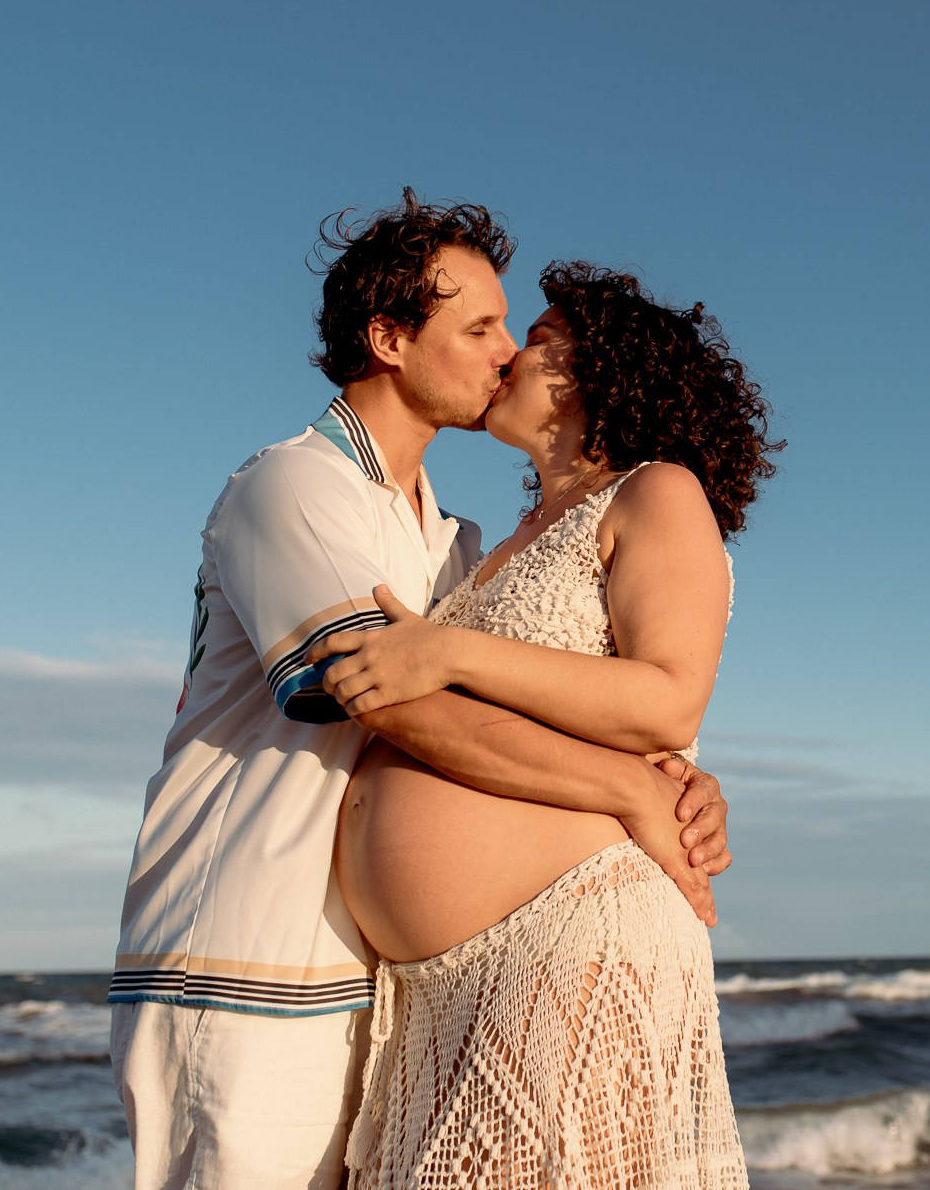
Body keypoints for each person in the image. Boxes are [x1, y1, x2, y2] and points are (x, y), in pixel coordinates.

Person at [108, 193, 735, 1190]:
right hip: (249, 955)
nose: (500, 353)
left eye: (513, 330)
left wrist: (664, 777)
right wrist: (628, 791)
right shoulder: (295, 486)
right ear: (390, 337)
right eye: (481, 327)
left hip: (379, 986)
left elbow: (619, 692)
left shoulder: (453, 545)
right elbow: (389, 698)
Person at [307, 261, 780, 1189]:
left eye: (543, 337)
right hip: (440, 991)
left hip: (569, 939)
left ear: (597, 375)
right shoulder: (485, 546)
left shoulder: (655, 491)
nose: (512, 352)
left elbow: (668, 698)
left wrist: (449, 654)